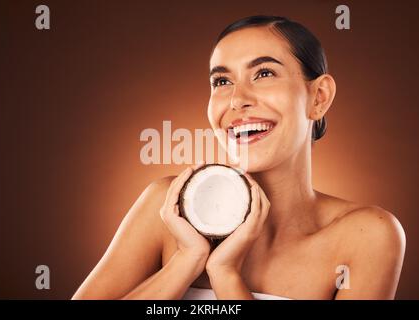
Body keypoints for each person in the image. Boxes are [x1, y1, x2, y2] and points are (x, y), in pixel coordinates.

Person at [72, 15, 406, 300]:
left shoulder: (366, 235)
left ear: (318, 97)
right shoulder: (166, 207)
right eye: (222, 81)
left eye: (264, 74)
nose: (236, 100)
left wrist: (226, 274)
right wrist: (186, 260)